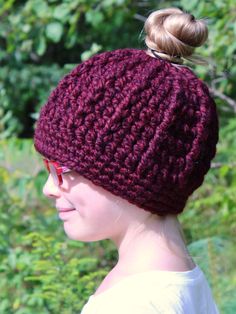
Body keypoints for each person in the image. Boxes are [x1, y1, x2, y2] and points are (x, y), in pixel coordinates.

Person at [34, 7, 220, 314]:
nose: (49, 188)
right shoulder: (177, 283)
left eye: (60, 170)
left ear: (131, 176)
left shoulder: (134, 304)